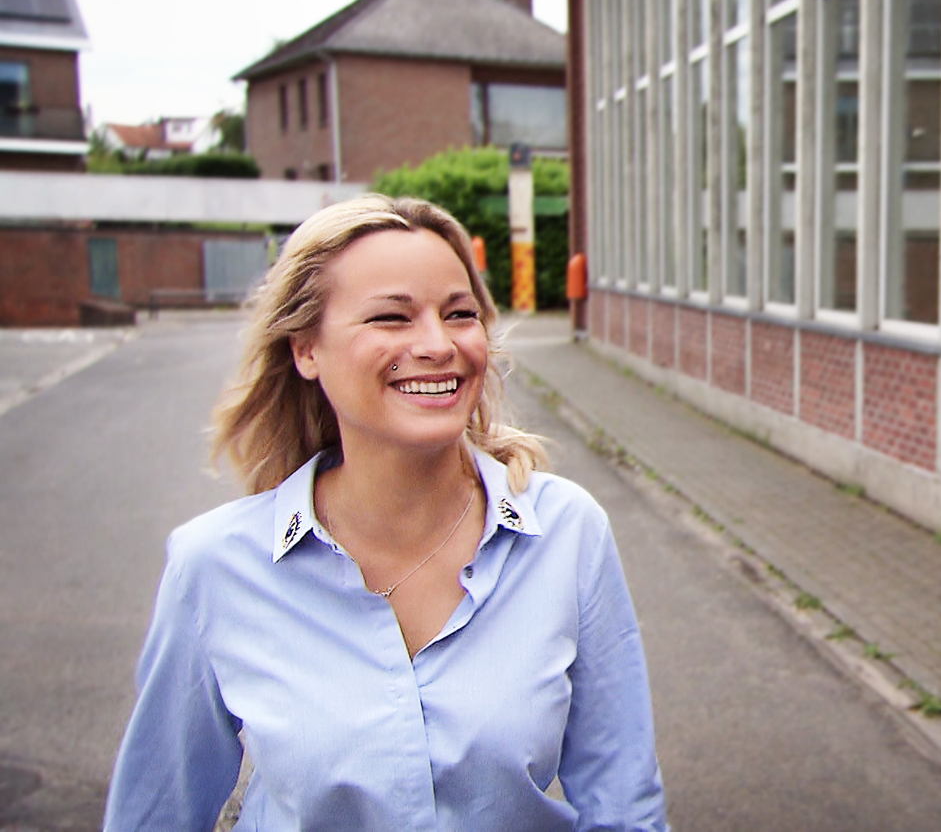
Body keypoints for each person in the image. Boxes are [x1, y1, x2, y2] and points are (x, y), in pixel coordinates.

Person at [104, 195, 669, 830]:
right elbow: (154, 814)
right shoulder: (215, 566)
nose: (437, 344)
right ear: (306, 350)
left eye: (459, 314)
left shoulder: (567, 531)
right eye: (391, 317)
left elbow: (623, 806)